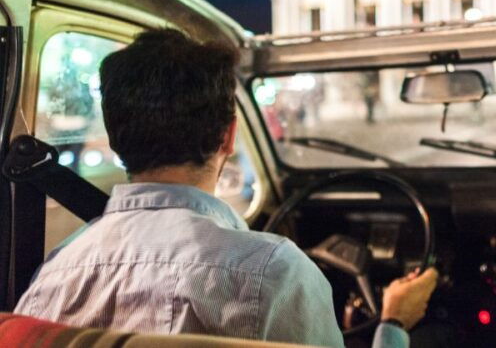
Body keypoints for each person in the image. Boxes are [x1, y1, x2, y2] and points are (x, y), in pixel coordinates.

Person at [15, 29, 438, 348]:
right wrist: (393, 324)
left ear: (116, 138)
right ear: (228, 137)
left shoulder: (54, 274)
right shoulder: (274, 273)